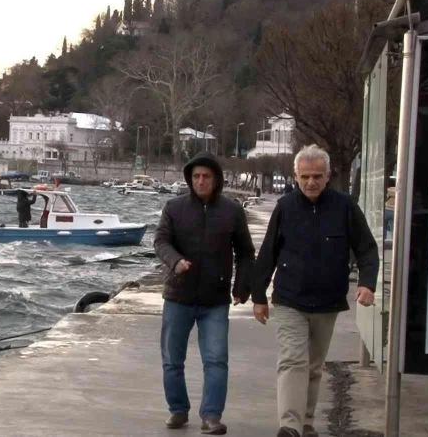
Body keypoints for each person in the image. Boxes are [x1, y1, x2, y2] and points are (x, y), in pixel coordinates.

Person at [251, 144, 379, 437]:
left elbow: (367, 250)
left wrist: (367, 284)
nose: (311, 182)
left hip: (327, 302)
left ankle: (306, 422)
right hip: (289, 299)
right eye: (305, 176)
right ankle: (290, 426)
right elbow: (268, 253)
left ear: (328, 175)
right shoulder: (285, 207)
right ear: (295, 176)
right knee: (293, 361)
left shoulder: (346, 208)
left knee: (313, 367)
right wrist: (258, 297)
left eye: (317, 176)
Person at [154, 151, 256, 435]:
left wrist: (242, 286)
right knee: (172, 359)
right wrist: (176, 262)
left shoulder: (232, 211)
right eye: (196, 176)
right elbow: (160, 241)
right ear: (189, 179)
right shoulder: (174, 208)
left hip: (215, 300)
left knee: (216, 359)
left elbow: (246, 253)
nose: (201, 181)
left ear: (216, 180)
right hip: (178, 296)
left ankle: (211, 416)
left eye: (206, 176)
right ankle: (178, 409)